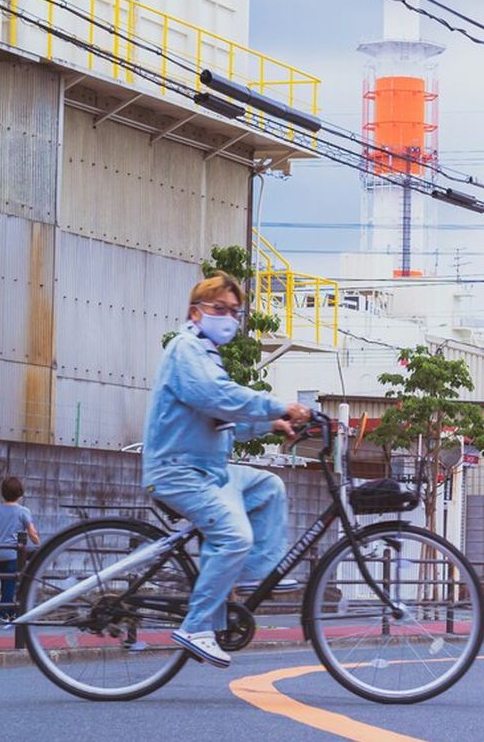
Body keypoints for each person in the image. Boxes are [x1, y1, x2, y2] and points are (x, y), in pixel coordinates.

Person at [144, 271, 309, 668]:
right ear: (195, 313)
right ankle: (197, 626)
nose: (229, 318)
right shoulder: (186, 350)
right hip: (178, 470)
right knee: (233, 535)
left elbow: (221, 419)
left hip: (210, 469)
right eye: (220, 309)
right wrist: (276, 405)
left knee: (268, 486)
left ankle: (251, 575)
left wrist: (270, 425)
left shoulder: (206, 354)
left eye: (235, 312)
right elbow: (217, 396)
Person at [0, 476, 41, 624]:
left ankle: (11, 613)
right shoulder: (23, 511)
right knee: (11, 584)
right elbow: (32, 532)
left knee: (6, 583)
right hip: (13, 553)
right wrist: (40, 546)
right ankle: (2, 615)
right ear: (20, 493)